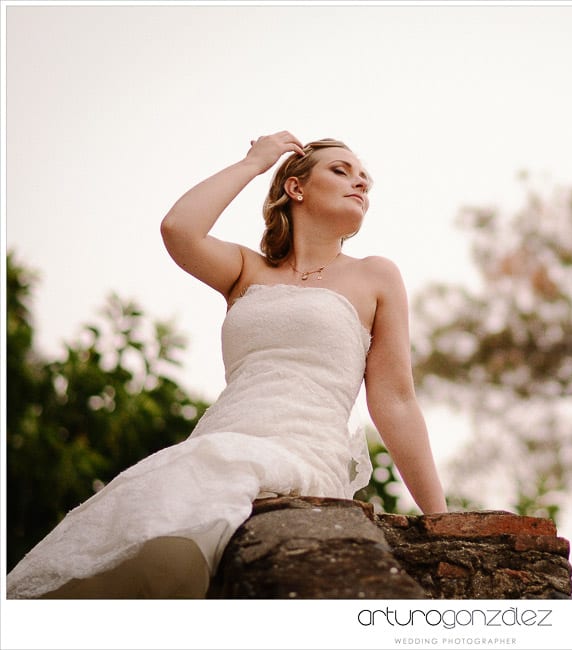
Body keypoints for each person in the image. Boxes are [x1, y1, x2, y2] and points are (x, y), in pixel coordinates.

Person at [6, 131, 447, 599]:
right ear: (296, 188)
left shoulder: (375, 275)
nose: (360, 184)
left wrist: (441, 518)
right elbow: (179, 229)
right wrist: (254, 161)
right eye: (340, 171)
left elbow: (395, 399)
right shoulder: (246, 269)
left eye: (365, 180)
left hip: (305, 450)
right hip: (219, 442)